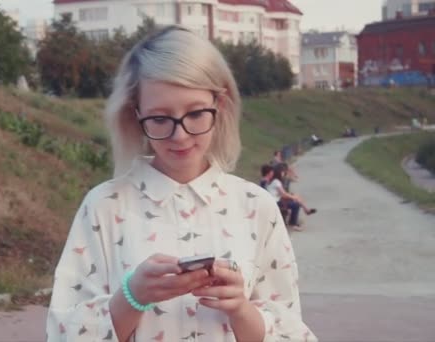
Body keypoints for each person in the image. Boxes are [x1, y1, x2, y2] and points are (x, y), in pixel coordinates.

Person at [46, 26, 316, 342]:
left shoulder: (257, 207)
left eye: (196, 113)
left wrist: (241, 310)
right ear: (136, 116)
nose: (180, 135)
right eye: (160, 118)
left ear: (221, 105)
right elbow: (64, 333)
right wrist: (133, 296)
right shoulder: (103, 207)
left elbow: (291, 332)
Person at [266, 163, 317, 231]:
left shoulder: (274, 181)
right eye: (283, 172)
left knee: (295, 199)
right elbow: (283, 194)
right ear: (279, 173)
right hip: (275, 202)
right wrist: (293, 197)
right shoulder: (276, 182)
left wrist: (293, 197)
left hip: (275, 201)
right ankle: (293, 223)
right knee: (296, 204)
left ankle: (304, 212)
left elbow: (282, 194)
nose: (283, 174)